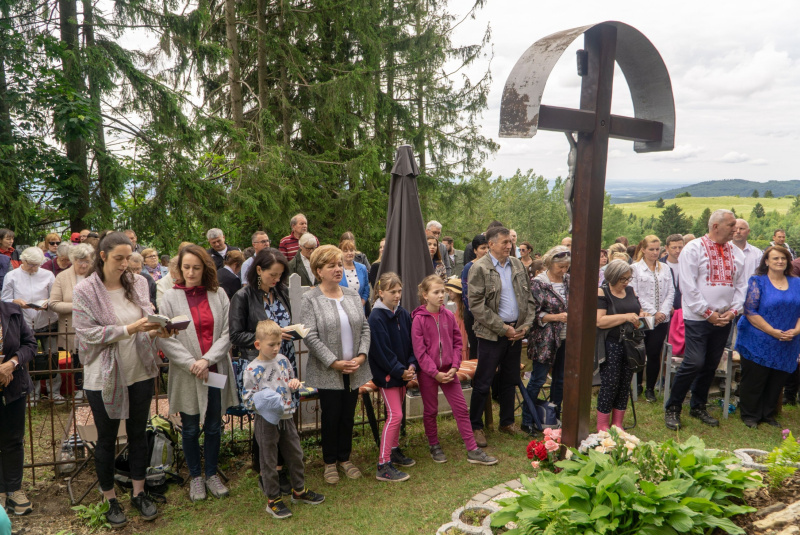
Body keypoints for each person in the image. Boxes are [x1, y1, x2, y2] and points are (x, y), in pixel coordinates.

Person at [72, 231, 169, 527]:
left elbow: (147, 320)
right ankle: (109, 498)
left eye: (129, 257)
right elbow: (86, 333)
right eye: (119, 258)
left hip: (138, 369)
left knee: (139, 433)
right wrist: (128, 329)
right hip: (104, 376)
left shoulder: (139, 283)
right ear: (102, 256)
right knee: (107, 439)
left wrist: (159, 329)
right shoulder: (86, 290)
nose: (126, 263)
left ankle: (139, 492)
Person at [158, 245, 237, 502]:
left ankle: (212, 473)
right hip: (187, 372)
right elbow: (165, 338)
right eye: (186, 267)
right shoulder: (169, 297)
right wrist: (192, 363)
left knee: (214, 425)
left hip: (214, 369)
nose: (191, 273)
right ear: (179, 269)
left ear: (205, 268)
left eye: (196, 267)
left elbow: (227, 333)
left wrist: (207, 360)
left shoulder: (219, 294)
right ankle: (195, 477)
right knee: (190, 428)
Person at [664, 210, 746, 431]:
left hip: (724, 317)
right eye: (731, 225)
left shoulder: (736, 253)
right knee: (695, 361)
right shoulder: (694, 248)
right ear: (715, 226)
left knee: (710, 363)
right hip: (698, 317)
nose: (735, 229)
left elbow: (741, 286)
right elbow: (688, 286)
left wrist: (733, 311)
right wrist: (707, 312)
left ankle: (698, 405)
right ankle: (673, 407)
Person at [300, 245, 371, 485]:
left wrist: (361, 356)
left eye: (339, 264)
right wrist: (334, 362)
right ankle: (329, 462)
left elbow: (364, 327)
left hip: (354, 367)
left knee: (348, 416)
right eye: (331, 265)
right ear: (319, 270)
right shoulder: (310, 298)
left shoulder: (351, 294)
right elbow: (310, 335)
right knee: (331, 416)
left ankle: (345, 458)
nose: (338, 269)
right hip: (328, 370)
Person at [411, 275, 497, 465]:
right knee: (431, 410)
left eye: (443, 291)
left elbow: (458, 343)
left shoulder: (449, 316)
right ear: (425, 295)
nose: (441, 295)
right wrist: (435, 373)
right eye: (436, 292)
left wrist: (455, 366)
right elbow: (420, 352)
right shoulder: (418, 319)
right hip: (428, 373)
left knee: (460, 409)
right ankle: (434, 444)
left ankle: (472, 449)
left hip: (449, 371)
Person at [242, 320, 325, 518]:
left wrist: (293, 383)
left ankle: (299, 491)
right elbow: (247, 399)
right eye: (271, 344)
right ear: (258, 344)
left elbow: (288, 381)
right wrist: (265, 400)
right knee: (269, 460)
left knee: (296, 454)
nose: (276, 348)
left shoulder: (283, 361)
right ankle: (273, 500)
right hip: (266, 421)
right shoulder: (252, 369)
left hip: (287, 416)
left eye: (278, 344)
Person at [467, 226, 536, 447]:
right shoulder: (479, 268)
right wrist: (502, 328)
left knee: (510, 379)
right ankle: (475, 426)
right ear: (491, 244)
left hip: (516, 333)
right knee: (483, 381)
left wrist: (525, 326)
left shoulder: (517, 265)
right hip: (491, 334)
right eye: (505, 242)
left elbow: (529, 300)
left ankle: (506, 422)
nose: (510, 245)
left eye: (510, 242)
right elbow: (476, 306)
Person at [734, 246, 800, 428]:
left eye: (783, 258)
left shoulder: (797, 283)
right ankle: (750, 415)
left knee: (777, 379)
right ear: (766, 262)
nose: (780, 261)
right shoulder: (758, 281)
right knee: (755, 378)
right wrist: (772, 331)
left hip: (788, 340)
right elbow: (750, 311)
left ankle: (768, 414)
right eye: (775, 258)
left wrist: (795, 331)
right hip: (758, 337)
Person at [367, 272, 417, 482]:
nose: (397, 295)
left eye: (399, 291)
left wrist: (412, 365)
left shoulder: (403, 313)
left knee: (398, 415)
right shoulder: (376, 317)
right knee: (394, 416)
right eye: (392, 292)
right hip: (388, 376)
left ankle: (394, 450)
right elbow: (381, 351)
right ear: (380, 293)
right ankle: (383, 464)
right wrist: (398, 370)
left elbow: (411, 342)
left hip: (403, 374)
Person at [1, 247, 61, 404]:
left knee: (52, 357)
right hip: (24, 321)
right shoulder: (12, 276)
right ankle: (32, 394)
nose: (34, 268)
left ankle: (54, 392)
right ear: (23, 261)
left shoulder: (47, 275)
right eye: (31, 265)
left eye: (37, 265)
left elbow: (54, 296)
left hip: (46, 319)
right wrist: (17, 302)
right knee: (28, 358)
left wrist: (48, 302)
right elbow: (5, 300)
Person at [523, 246, 571, 434]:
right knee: (538, 379)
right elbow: (532, 313)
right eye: (560, 267)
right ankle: (528, 419)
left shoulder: (569, 281)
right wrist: (556, 317)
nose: (564, 270)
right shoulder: (538, 283)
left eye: (566, 266)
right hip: (544, 339)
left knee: (560, 379)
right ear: (550, 264)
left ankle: (553, 417)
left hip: (567, 336)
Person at [596, 259, 645, 431]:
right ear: (613, 277)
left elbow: (637, 311)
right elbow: (600, 321)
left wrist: (642, 315)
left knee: (625, 383)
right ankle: (602, 424)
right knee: (610, 383)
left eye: (628, 278)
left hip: (630, 343)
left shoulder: (630, 291)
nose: (626, 282)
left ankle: (617, 423)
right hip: (612, 344)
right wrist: (626, 317)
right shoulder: (603, 292)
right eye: (623, 279)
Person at [0, 300, 38, 516]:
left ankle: (14, 489)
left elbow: (30, 344)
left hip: (14, 387)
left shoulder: (12, 312)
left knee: (14, 439)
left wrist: (11, 364)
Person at [630, 236, 674, 403]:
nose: (655, 252)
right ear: (643, 250)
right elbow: (635, 292)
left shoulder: (665, 268)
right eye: (651, 249)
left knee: (654, 352)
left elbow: (671, 291)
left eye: (657, 249)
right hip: (644, 315)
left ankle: (650, 388)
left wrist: (662, 312)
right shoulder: (635, 269)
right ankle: (638, 384)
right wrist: (653, 311)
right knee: (640, 350)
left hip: (662, 318)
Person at [49, 243, 95, 401]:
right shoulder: (62, 277)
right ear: (73, 260)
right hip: (71, 326)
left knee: (94, 357)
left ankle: (94, 388)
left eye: (87, 261)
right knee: (76, 359)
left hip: (94, 325)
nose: (84, 265)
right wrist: (77, 306)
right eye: (80, 261)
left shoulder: (96, 275)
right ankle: (80, 389)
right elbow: (53, 303)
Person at [460, 234, 489, 359]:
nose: (486, 251)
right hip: (473, 316)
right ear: (475, 250)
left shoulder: (492, 266)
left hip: (490, 316)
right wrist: (479, 314)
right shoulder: (469, 267)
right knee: (476, 349)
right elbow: (466, 295)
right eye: (483, 248)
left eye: (488, 247)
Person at [339, 239, 370, 312]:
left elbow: (366, 288)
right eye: (345, 251)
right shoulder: (338, 269)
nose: (349, 253)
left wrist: (362, 302)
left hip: (359, 308)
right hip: (342, 309)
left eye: (351, 250)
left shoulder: (362, 268)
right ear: (340, 252)